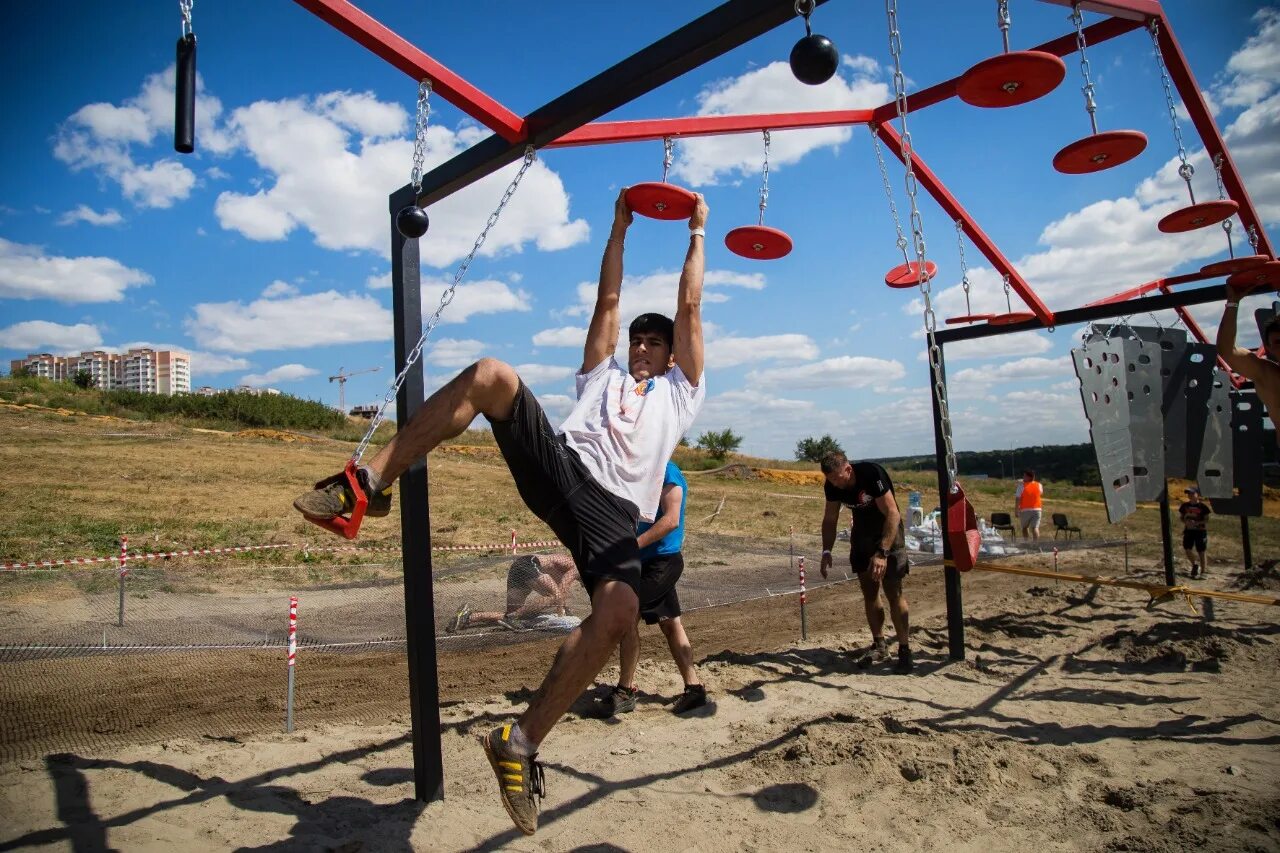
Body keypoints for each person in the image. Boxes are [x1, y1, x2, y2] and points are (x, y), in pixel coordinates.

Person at [293, 188, 708, 836]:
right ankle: (366, 484)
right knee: (491, 373)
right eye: (639, 340)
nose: (644, 347)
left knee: (621, 611)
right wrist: (618, 226)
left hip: (612, 513)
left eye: (656, 342)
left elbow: (689, 305)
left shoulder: (681, 395)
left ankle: (519, 743)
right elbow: (607, 300)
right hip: (562, 467)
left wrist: (698, 233)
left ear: (675, 354)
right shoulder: (600, 376)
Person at [597, 459, 707, 718]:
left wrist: (633, 546)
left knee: (627, 616)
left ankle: (625, 691)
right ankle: (694, 688)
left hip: (662, 562)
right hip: (645, 562)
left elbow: (670, 521)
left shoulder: (669, 472)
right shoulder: (644, 470)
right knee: (670, 624)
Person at [817, 452, 913, 674]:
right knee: (870, 592)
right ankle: (879, 644)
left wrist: (882, 552)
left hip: (888, 533)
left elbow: (892, 513)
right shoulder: (832, 485)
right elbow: (830, 519)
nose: (834, 484)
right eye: (830, 479)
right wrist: (826, 550)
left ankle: (905, 650)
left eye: (837, 478)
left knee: (893, 591)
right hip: (862, 535)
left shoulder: (872, 474)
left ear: (848, 469)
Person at [447, 553, 579, 632]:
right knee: (553, 596)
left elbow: (558, 588)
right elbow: (561, 590)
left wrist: (564, 608)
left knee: (513, 616)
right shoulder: (575, 567)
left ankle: (469, 616)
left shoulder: (565, 566)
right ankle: (513, 616)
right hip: (529, 564)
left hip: (517, 567)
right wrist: (561, 614)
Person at [1217, 282, 1280, 441]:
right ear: (1269, 348)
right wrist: (1233, 303)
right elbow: (1227, 351)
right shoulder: (1269, 375)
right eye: (1278, 342)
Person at [1178, 486, 1212, 579]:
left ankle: (1203, 572)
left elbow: (1206, 520)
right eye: (1188, 493)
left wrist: (1197, 523)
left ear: (1198, 495)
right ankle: (1195, 565)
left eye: (1192, 493)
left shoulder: (1203, 507)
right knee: (1187, 548)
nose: (1190, 495)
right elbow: (1181, 517)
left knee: (1201, 551)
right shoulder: (1184, 506)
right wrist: (1186, 522)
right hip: (1189, 531)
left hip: (1200, 531)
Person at [1014, 469, 1043, 541]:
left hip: (1025, 510)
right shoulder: (1039, 485)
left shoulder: (1021, 486)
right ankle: (1035, 544)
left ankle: (1026, 543)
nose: (1023, 477)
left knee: (1024, 528)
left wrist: (1016, 510)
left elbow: (1018, 499)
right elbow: (1040, 493)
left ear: (1028, 477)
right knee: (1035, 528)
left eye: (1024, 476)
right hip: (1037, 510)